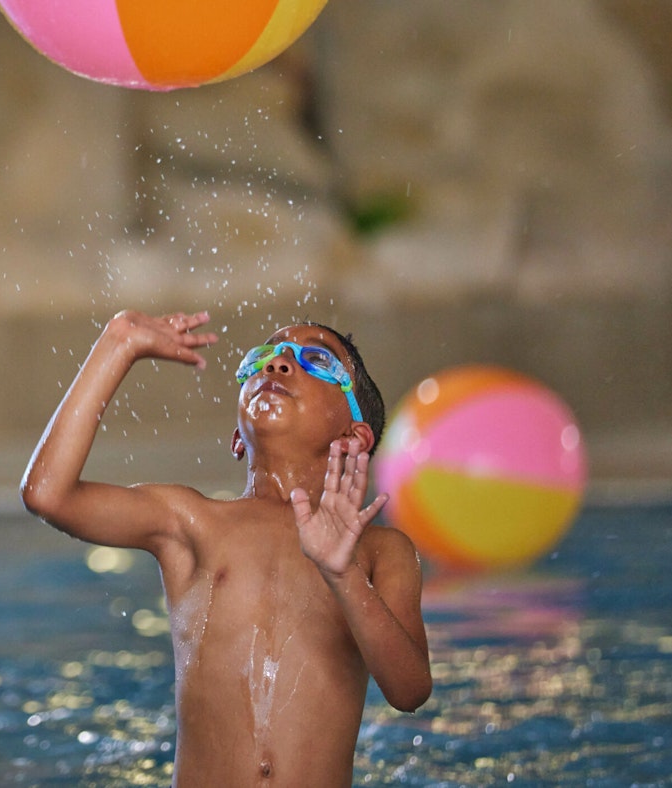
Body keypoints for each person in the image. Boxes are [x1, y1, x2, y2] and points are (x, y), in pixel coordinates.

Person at [22, 309, 431, 785]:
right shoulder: (192, 523)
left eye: (316, 359)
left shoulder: (380, 551)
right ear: (237, 437)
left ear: (355, 435)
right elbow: (47, 494)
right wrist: (118, 343)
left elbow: (409, 690)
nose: (277, 364)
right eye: (264, 357)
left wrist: (342, 574)